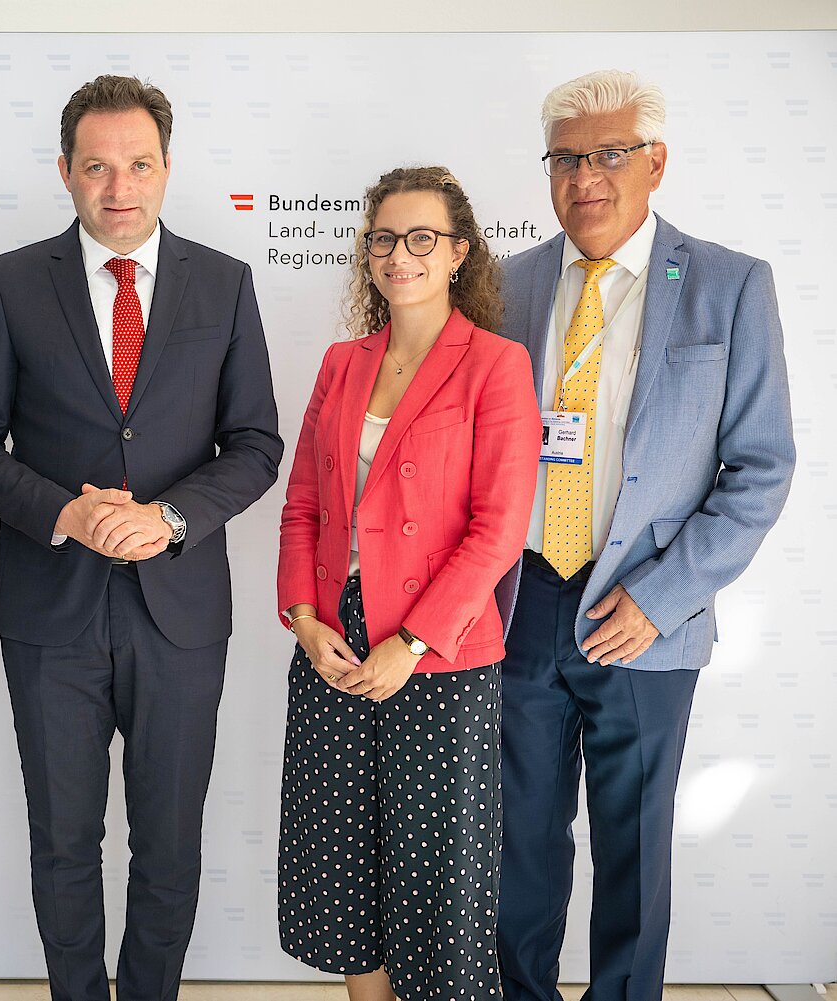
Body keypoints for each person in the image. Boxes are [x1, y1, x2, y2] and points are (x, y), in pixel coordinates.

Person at [0, 75, 282, 1001]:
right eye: (97, 167)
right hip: (52, 614)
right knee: (62, 840)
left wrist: (168, 517)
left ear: (168, 168)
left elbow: (256, 445)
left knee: (169, 841)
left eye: (138, 164)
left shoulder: (225, 281)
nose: (118, 187)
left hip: (179, 613)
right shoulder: (11, 282)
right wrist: (67, 510)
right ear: (66, 171)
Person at [495, 70, 797, 1001]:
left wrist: (663, 596)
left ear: (655, 162)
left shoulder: (729, 285)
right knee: (520, 844)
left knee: (633, 846)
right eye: (567, 159)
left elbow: (761, 468)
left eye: (610, 155)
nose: (586, 176)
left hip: (646, 609)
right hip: (521, 601)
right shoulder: (507, 285)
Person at [275, 167, 541, 1000]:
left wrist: (412, 639)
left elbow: (497, 530)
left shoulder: (495, 364)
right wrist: (306, 619)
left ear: (460, 251)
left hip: (441, 646)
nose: (401, 255)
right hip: (336, 639)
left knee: (438, 875)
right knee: (343, 856)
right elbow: (305, 502)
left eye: (422, 237)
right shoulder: (341, 362)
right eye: (384, 238)